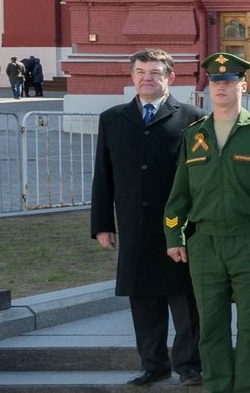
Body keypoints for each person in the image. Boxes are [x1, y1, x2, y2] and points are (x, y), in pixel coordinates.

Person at [163, 52, 250, 393]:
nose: (221, 87)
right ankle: (218, 387)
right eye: (215, 82)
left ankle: (249, 388)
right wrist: (174, 236)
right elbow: (180, 192)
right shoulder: (195, 135)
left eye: (228, 82)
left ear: (242, 86)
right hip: (205, 244)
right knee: (212, 326)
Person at [92, 48, 206, 387]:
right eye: (141, 71)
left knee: (184, 300)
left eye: (155, 72)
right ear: (132, 76)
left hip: (179, 226)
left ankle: (188, 365)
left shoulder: (192, 117)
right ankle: (153, 364)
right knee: (142, 298)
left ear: (170, 77)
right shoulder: (113, 118)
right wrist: (102, 224)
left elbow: (201, 175)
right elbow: (104, 174)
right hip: (134, 225)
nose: (147, 77)